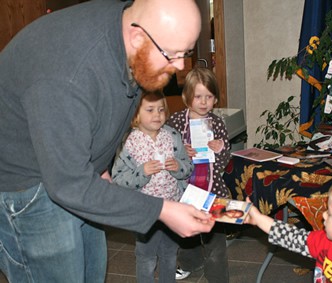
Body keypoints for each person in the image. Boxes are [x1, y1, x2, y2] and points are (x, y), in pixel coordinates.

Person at [0, 0, 214, 282]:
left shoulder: (127, 29)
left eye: (185, 53)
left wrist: (101, 164)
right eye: (172, 54)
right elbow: (69, 184)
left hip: (74, 166)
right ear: (137, 37)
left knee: (91, 269)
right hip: (26, 183)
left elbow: (111, 103)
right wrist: (162, 210)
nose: (179, 66)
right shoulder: (67, 76)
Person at [112, 91, 193, 283]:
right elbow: (118, 179)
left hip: (172, 206)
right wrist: (142, 172)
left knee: (170, 253)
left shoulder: (171, 136)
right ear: (136, 114)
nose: (157, 114)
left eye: (161, 109)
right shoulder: (128, 142)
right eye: (150, 110)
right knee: (146, 256)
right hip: (145, 210)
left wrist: (178, 167)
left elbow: (187, 167)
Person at [167, 67, 231, 282]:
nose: (203, 102)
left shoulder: (218, 124)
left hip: (214, 189)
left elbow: (223, 162)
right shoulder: (175, 122)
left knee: (215, 238)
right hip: (185, 190)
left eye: (209, 97)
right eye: (198, 96)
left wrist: (220, 148)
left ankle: (218, 277)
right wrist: (180, 150)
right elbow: (166, 153)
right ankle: (189, 263)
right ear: (187, 97)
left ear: (215, 99)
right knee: (187, 234)